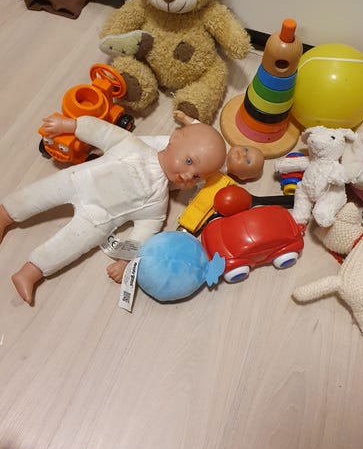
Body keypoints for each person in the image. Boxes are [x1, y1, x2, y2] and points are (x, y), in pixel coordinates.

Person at [0, 114, 226, 305]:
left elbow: (144, 232)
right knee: (38, 194)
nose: (188, 175)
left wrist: (125, 261)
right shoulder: (133, 146)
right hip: (78, 181)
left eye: (196, 176)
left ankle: (30, 272)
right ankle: (5, 215)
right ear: (174, 139)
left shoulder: (158, 201)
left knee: (68, 245)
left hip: (97, 219)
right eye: (189, 162)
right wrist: (69, 125)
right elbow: (102, 132)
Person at [173, 110, 265, 182]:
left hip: (178, 172)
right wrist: (185, 118)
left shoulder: (218, 178)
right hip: (176, 147)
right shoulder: (219, 145)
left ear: (242, 176)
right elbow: (202, 130)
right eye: (246, 149)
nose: (243, 154)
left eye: (248, 161)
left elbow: (201, 188)